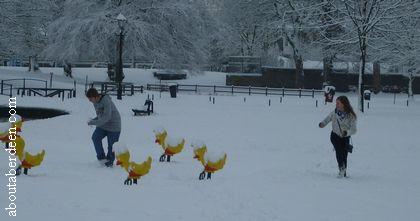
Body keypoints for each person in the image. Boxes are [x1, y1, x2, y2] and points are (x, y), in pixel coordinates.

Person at [319, 96, 357, 178]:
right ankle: (341, 169)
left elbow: (354, 130)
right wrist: (322, 124)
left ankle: (344, 172)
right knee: (339, 152)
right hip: (335, 136)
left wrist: (346, 132)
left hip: (345, 138)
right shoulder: (335, 112)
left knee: (344, 155)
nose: (336, 104)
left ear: (344, 104)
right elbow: (328, 118)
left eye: (338, 103)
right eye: (336, 103)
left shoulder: (351, 116)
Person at [86, 88, 121, 167]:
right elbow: (100, 116)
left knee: (111, 146)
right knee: (95, 137)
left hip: (114, 125)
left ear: (95, 97)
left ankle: (109, 162)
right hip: (103, 125)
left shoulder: (106, 101)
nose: (89, 101)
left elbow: (106, 117)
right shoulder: (95, 103)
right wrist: (92, 120)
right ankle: (101, 158)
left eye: (90, 99)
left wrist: (93, 122)